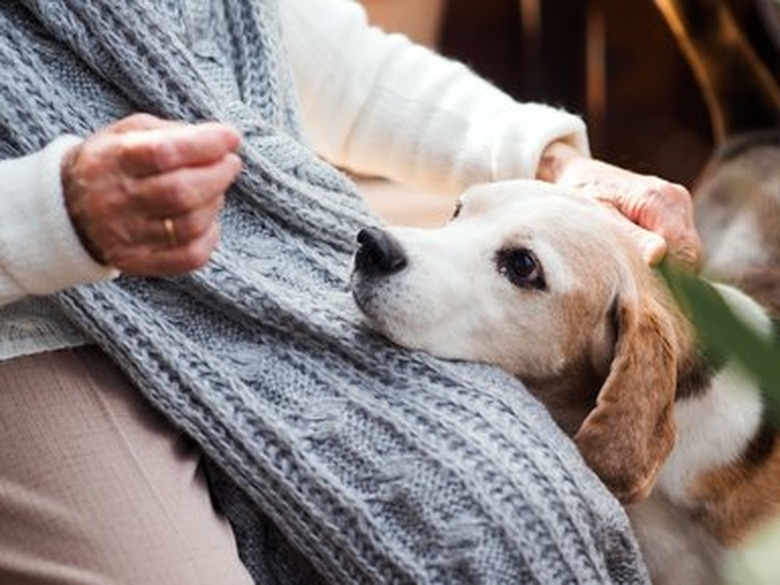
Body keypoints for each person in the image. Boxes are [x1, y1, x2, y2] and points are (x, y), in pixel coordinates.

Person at [0, 0, 700, 583]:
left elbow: (336, 64)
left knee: (517, 509)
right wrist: (50, 213)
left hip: (265, 267)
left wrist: (550, 161)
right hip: (33, 320)